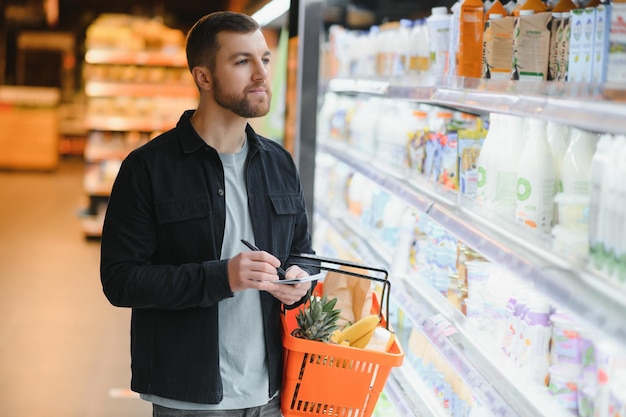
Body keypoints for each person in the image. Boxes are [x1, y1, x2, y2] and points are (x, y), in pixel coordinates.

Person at [100, 10, 317, 417]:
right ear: (203, 77)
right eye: (242, 61)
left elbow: (302, 251)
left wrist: (299, 279)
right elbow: (121, 281)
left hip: (271, 393)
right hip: (189, 398)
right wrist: (222, 276)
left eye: (265, 59)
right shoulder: (148, 168)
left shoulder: (280, 163)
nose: (261, 74)